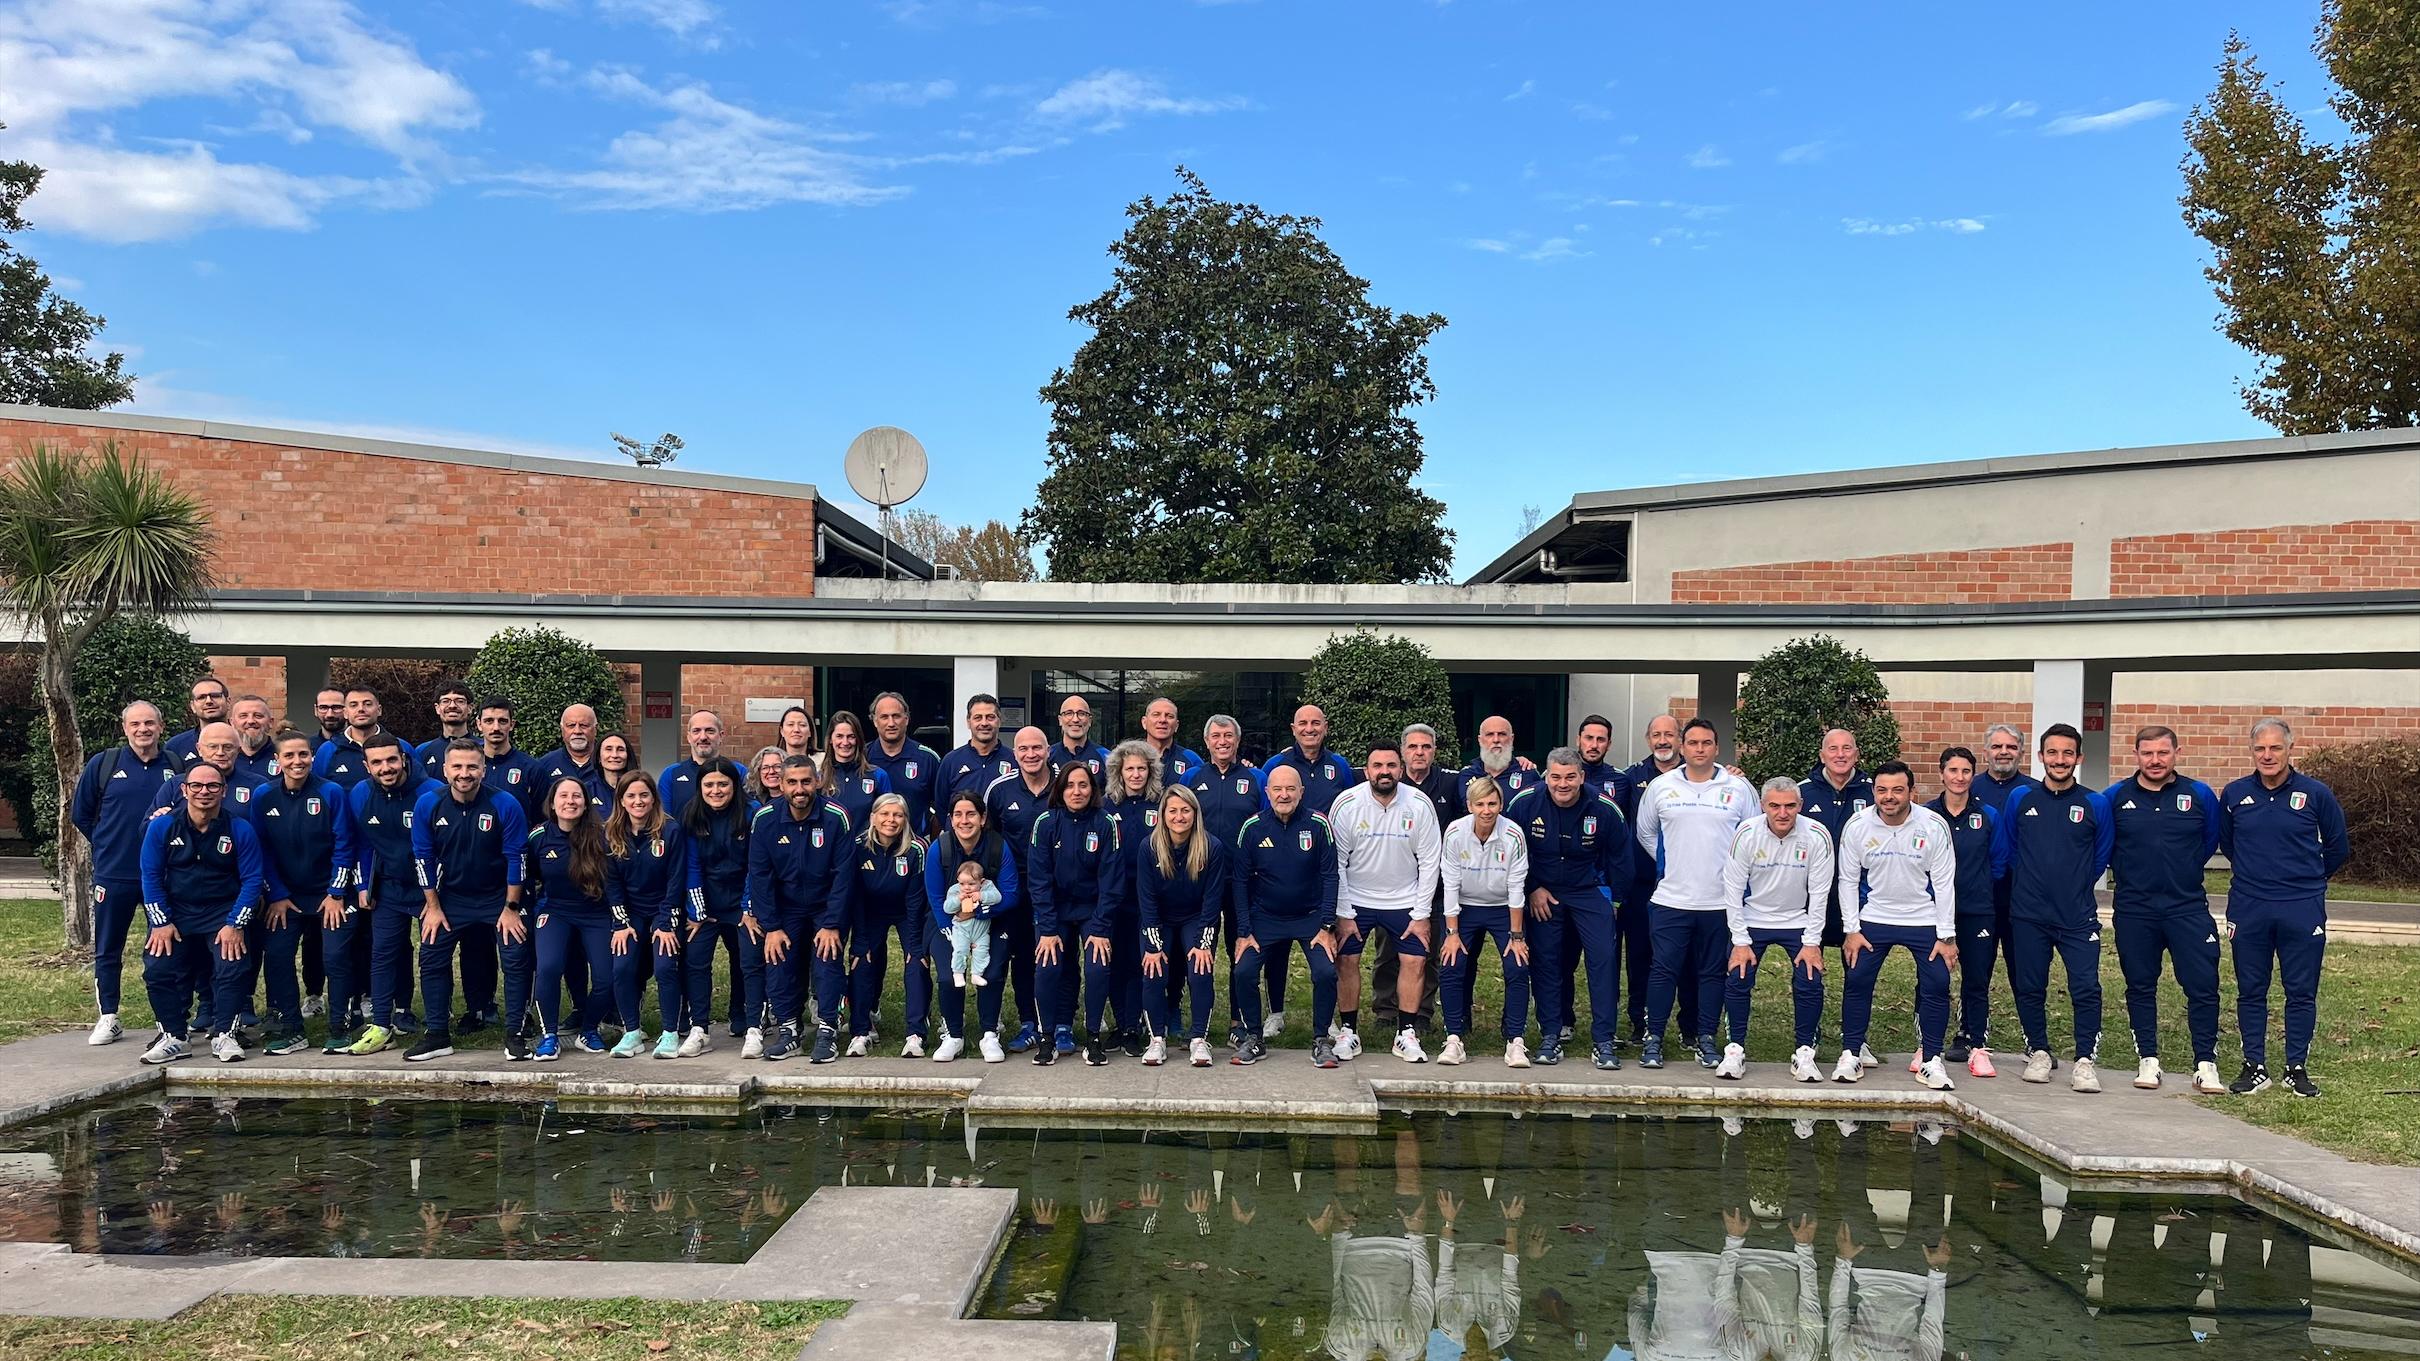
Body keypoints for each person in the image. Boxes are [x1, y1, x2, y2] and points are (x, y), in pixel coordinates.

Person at [2219, 717, 2348, 1099]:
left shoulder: (2316, 793)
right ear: (2251, 751)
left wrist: (2306, 880)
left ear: (2291, 749)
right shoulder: (2235, 794)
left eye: (2275, 747)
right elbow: (2228, 844)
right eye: (2260, 748)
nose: (2267, 755)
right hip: (2249, 905)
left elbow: (2338, 847)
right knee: (2250, 989)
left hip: (2301, 907)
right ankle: (2254, 1067)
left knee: (2301, 991)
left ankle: (2296, 1068)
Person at [2104, 725, 2225, 1094]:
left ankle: (2205, 1063)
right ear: (2136, 755)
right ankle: (2148, 1060)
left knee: (2203, 985)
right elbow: (2105, 846)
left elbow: (2209, 841)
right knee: (2140, 985)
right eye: (2147, 753)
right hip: (2135, 909)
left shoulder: (2199, 795)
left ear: (2176, 753)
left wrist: (2180, 871)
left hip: (2187, 907)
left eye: (2162, 753)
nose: (2155, 760)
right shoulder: (2114, 797)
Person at [1994, 723, 2114, 1093]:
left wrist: (2072, 885)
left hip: (2077, 915)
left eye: (2067, 753)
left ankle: (2084, 1060)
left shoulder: (2095, 803)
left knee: (2086, 987)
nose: (2059, 760)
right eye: (2052, 752)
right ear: (2040, 756)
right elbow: (2010, 850)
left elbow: (2100, 856)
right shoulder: (2021, 798)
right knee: (2030, 985)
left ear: (2079, 758)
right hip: (2029, 914)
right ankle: (2039, 1051)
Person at [1635, 717, 1756, 1071]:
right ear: (1682, 747)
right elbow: (1645, 833)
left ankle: (1705, 1038)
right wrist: (1672, 862)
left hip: (1720, 902)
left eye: (1706, 743)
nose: (1699, 749)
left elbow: (1751, 836)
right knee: (1663, 971)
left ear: (1716, 748)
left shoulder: (1738, 788)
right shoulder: (1661, 786)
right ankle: (1654, 1038)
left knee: (1712, 973)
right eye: (1692, 743)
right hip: (1671, 899)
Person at [1834, 761, 1960, 1091]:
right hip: (1874, 917)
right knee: (1857, 979)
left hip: (1924, 919)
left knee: (1937, 983)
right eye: (1882, 790)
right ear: (1874, 792)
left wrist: (1946, 935)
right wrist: (1851, 930)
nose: (1889, 797)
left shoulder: (1933, 825)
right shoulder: (1857, 825)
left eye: (1897, 790)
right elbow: (1847, 880)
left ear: (1911, 793)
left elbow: (1944, 882)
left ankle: (1931, 1060)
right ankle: (1851, 1053)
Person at [407, 739, 532, 1063]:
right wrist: (433, 907)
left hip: (498, 898)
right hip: (450, 898)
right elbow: (422, 858)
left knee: (515, 956)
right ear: (445, 770)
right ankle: (437, 1035)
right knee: (431, 955)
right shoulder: (428, 804)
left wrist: (511, 908)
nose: (465, 773)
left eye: (472, 767)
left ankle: (515, 1033)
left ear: (483, 769)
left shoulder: (505, 803)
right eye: (458, 767)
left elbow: (517, 858)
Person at [1507, 747, 1632, 1069]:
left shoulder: (1604, 807)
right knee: (1547, 961)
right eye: (1556, 777)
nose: (1563, 784)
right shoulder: (1524, 803)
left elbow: (1621, 856)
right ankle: (1551, 1034)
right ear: (1546, 777)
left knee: (1603, 960)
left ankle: (1604, 1040)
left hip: (1589, 890)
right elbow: (1512, 851)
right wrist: (1532, 888)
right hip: (1543, 892)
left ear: (1582, 777)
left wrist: (1614, 900)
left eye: (1570, 777)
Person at [134, 760, 265, 1064]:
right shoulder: (162, 826)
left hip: (223, 911)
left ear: (224, 791)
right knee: (157, 969)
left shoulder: (239, 829)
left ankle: (225, 1034)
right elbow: (150, 877)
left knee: (232, 966)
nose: (204, 791)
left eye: (212, 786)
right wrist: (161, 922)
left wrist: (235, 924)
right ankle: (174, 1037)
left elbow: (252, 881)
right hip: (175, 912)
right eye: (196, 785)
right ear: (184, 790)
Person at [72, 701, 181, 1047]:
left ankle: (170, 1019)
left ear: (160, 727)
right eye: (135, 724)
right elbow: (81, 815)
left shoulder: (176, 766)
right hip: (114, 873)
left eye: (149, 723)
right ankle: (109, 1015)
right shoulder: (104, 764)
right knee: (108, 947)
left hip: (162, 876)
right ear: (125, 728)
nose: (142, 729)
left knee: (164, 947)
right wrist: (107, 844)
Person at [1329, 742, 1443, 1064]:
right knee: (1346, 960)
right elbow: (1336, 862)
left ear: (1401, 770)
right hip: (1357, 899)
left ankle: (1405, 1033)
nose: (1384, 772)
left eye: (1391, 766)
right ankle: (1349, 1032)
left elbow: (1430, 861)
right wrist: (1344, 913)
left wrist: (1421, 914)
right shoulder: (1347, 803)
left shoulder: (1419, 804)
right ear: (1366, 771)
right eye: (1377, 766)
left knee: (1415, 961)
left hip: (1405, 899)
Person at [242, 730, 354, 1057]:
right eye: (289, 756)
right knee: (277, 955)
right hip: (286, 897)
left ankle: (340, 1026)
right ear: (277, 760)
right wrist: (276, 894)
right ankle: (290, 1028)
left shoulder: (331, 792)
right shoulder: (263, 796)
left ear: (312, 757)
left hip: (330, 895)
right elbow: (260, 850)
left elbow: (345, 844)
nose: (297, 761)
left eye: (303, 754)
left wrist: (336, 892)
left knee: (335, 957)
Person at [1715, 777, 1831, 1083]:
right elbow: (1732, 888)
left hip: (1798, 919)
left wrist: (1812, 942)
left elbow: (1820, 893)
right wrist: (1740, 941)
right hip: (1754, 918)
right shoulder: (1747, 832)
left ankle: (1805, 1051)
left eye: (1790, 806)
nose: (1783, 813)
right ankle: (1735, 1049)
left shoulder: (1817, 834)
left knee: (1810, 979)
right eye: (1775, 806)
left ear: (1800, 805)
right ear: (1763, 805)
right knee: (1738, 976)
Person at [1229, 764, 1340, 1066]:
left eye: (1291, 788)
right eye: (1277, 789)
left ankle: (1321, 1040)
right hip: (1265, 918)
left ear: (1301, 792)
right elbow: (1240, 881)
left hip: (1310, 918)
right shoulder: (1252, 827)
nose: (1284, 795)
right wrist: (1244, 930)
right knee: (1243, 972)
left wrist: (1327, 925)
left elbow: (1330, 875)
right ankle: (1254, 1038)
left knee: (1326, 972)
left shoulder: (1318, 824)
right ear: (1267, 792)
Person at [747, 756, 854, 1063]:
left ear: (817, 782)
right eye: (792, 782)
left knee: (827, 961)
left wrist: (832, 924)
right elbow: (760, 876)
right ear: (781, 784)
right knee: (779, 961)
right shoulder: (765, 819)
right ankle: (789, 1031)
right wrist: (772, 926)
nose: (799, 789)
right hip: (786, 908)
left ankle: (827, 1031)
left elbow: (844, 876)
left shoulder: (836, 817)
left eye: (806, 781)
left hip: (825, 907)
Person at [525, 775, 638, 1061]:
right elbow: (529, 876)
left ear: (586, 803)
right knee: (548, 968)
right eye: (563, 796)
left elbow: (614, 882)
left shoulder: (602, 835)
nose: (570, 801)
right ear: (552, 803)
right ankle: (549, 1035)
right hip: (555, 911)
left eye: (576, 796)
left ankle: (588, 1029)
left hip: (596, 912)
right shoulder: (538, 836)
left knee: (607, 977)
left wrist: (620, 921)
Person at [337, 733, 427, 1054]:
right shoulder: (361, 793)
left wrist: (435, 895)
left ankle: (437, 1024)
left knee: (432, 955)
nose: (385, 767)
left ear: (404, 759)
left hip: (428, 890)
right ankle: (381, 1027)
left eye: (391, 759)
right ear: (366, 766)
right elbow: (362, 843)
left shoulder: (429, 792)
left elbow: (441, 847)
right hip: (388, 887)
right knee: (382, 953)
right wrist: (364, 885)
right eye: (377, 762)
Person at [1437, 775, 1532, 1068]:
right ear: (1470, 806)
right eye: (1480, 804)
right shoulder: (1455, 832)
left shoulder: (1513, 834)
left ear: (1501, 804)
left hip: (1502, 907)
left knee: (1517, 966)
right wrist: (1452, 932)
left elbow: (1517, 886)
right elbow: (1450, 883)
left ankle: (1515, 1040)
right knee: (1451, 963)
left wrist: (1517, 936)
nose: (1486, 810)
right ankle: (1454, 1037)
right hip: (1465, 906)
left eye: (1492, 804)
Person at [1137, 784, 1232, 1068]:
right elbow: (1147, 899)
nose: (1179, 817)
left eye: (1185, 810)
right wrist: (1153, 946)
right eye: (1173, 811)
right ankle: (1157, 1039)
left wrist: (1203, 944)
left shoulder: (1212, 847)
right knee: (1153, 970)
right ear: (1163, 815)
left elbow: (1212, 901)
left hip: (1196, 917)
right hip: (1160, 918)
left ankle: (1199, 1039)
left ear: (1195, 813)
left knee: (1200, 971)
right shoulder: (1149, 847)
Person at [923, 790, 1021, 1063]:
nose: (964, 820)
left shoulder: (998, 846)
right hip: (949, 922)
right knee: (947, 975)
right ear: (950, 819)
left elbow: (1011, 894)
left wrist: (978, 911)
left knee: (991, 970)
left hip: (991, 919)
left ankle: (989, 1033)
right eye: (958, 815)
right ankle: (953, 1034)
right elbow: (935, 896)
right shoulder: (939, 848)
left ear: (983, 818)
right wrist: (952, 929)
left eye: (971, 814)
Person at [607, 769, 700, 1060]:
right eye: (631, 796)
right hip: (631, 914)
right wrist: (621, 924)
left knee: (664, 966)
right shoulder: (611, 833)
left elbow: (676, 880)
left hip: (664, 910)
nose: (638, 801)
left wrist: (666, 924)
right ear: (621, 800)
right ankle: (631, 1032)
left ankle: (670, 1032)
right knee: (622, 967)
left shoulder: (670, 830)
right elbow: (612, 884)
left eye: (644, 795)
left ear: (653, 798)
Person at [1926, 747, 2006, 1076]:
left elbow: (1999, 861)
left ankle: (1976, 1045)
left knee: (1976, 979)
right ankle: (1926, 1045)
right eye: (1953, 770)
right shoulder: (1926, 815)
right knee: (1932, 978)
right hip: (1933, 912)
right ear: (1942, 773)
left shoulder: (1988, 815)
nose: (1959, 777)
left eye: (1966, 771)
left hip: (1977, 909)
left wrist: (1977, 885)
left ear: (1973, 775)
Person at [1188, 714, 1268, 1048]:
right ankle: (1196, 1025)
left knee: (1241, 951)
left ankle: (1239, 1022)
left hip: (1243, 881)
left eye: (1228, 736)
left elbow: (1266, 823)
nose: (1222, 741)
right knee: (1199, 950)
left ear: (1238, 740)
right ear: (1207, 742)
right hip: (1201, 880)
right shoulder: (1193, 777)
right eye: (1216, 736)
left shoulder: (1256, 777)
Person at [1028, 762, 1115, 1064]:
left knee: (1097, 967)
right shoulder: (1045, 822)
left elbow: (1111, 880)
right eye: (1070, 785)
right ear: (1060, 789)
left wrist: (1101, 927)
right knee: (1047, 966)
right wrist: (1048, 929)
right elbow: (1038, 879)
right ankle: (1047, 1037)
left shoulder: (1105, 823)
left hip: (1093, 911)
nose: (1076, 791)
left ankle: (1093, 1037)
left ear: (1092, 789)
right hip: (1055, 911)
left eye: (1083, 785)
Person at [835, 792, 929, 1058]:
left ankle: (916, 1033)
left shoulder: (917, 849)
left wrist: (914, 943)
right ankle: (860, 1031)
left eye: (898, 815)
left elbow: (915, 898)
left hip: (906, 912)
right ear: (873, 817)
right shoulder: (857, 846)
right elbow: (855, 896)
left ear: (905, 819)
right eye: (885, 814)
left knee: (917, 961)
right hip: (870, 912)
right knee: (861, 959)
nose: (891, 820)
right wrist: (860, 940)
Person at [678, 756, 762, 1057]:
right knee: (696, 960)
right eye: (709, 785)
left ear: (734, 785)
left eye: (723, 784)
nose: (716, 790)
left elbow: (756, 865)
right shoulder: (691, 814)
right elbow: (692, 865)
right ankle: (699, 1028)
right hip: (708, 904)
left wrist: (748, 909)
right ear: (700, 787)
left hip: (744, 901)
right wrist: (698, 913)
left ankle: (753, 1026)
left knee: (750, 960)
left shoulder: (752, 812)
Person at [1085, 741, 1162, 1059]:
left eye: (1142, 768)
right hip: (1113, 896)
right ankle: (1120, 1024)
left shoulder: (1160, 804)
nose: (1136, 774)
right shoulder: (1106, 806)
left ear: (1151, 771)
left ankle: (1135, 1026)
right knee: (1115, 962)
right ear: (1118, 771)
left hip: (1148, 897)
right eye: (1130, 768)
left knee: (1139, 961)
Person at [984, 726, 1057, 1053]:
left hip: (1056, 886)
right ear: (1014, 754)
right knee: (1023, 955)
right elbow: (988, 838)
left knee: (1057, 955)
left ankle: (1060, 1023)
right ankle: (1029, 1022)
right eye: (1023, 749)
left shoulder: (1064, 785)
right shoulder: (1000, 789)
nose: (1031, 754)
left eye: (1037, 748)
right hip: (1014, 887)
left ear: (1048, 750)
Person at [1616, 714, 1686, 1047]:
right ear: (1648, 740)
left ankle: (1690, 1025)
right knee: (1640, 954)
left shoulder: (1698, 775)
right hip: (1642, 884)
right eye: (1656, 734)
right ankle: (1639, 1022)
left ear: (1679, 739)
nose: (1662, 741)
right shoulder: (1631, 777)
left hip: (1687, 883)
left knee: (1688, 957)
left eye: (1669, 734)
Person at [1798, 728, 1874, 952]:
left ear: (1856, 754)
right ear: (1822, 756)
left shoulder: (1873, 793)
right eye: (1833, 749)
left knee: (1857, 963)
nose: (1840, 754)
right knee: (1809, 963)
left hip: (1859, 895)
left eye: (1846, 748)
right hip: (1811, 895)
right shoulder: (1802, 793)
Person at [866, 691, 942, 834]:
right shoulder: (863, 758)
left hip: (915, 842)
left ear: (906, 719)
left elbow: (942, 806)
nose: (891, 723)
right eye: (884, 717)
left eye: (896, 716)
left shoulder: (927, 759)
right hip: (871, 844)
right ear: (875, 721)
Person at [1263, 704, 1358, 814]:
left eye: (1315, 723)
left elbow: (1350, 809)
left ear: (1325, 728)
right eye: (1303, 723)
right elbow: (1263, 811)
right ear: (1293, 729)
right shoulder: (1274, 765)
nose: (1309, 729)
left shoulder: (1340, 765)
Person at [818, 711, 893, 830]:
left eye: (851, 736)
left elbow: (889, 817)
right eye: (839, 736)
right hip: (831, 842)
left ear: (858, 739)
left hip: (866, 842)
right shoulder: (819, 778)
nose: (845, 742)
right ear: (831, 739)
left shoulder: (878, 775)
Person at [313, 686, 398, 789]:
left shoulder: (400, 746)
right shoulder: (327, 750)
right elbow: (318, 791)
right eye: (354, 705)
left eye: (367, 704)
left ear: (379, 710)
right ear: (345, 713)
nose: (361, 709)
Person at [943, 693, 1017, 803]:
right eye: (978, 718)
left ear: (999, 721)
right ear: (968, 722)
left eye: (990, 717)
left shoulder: (1014, 760)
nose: (984, 723)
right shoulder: (951, 761)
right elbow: (942, 807)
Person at [537, 703, 610, 814]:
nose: (577, 731)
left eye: (584, 725)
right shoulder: (545, 765)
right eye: (571, 725)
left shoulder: (610, 762)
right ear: (562, 730)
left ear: (595, 729)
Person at [941, 861, 1000, 990]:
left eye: (971, 884)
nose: (966, 888)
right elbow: (947, 908)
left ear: (981, 881)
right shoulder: (955, 890)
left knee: (982, 951)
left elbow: (997, 897)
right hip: (961, 929)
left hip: (981, 931)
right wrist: (958, 899)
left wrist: (982, 895)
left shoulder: (987, 886)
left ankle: (977, 974)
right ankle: (958, 973)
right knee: (960, 950)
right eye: (962, 883)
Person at [658, 710, 727, 818]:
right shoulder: (670, 774)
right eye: (696, 731)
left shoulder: (739, 772)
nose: (703, 737)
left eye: (710, 731)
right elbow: (664, 819)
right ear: (689, 737)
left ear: (721, 736)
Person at [1459, 715, 1537, 807]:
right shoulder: (1465, 775)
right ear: (1480, 740)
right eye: (1490, 734)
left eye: (1502, 734)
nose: (1496, 740)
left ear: (1511, 739)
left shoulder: (1528, 775)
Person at [163, 675, 231, 768]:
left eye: (215, 696)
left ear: (228, 702)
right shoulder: (175, 746)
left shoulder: (244, 742)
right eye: (201, 697)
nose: (209, 701)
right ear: (193, 706)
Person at [415, 678, 475, 782]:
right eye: (445, 701)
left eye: (459, 701)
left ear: (470, 708)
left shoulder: (482, 748)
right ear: (437, 708)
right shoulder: (422, 751)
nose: (452, 706)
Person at [1138, 696, 1200, 787]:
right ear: (1144, 722)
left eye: (1169, 716)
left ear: (1176, 726)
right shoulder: (1128, 758)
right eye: (1156, 715)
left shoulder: (1191, 759)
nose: (1162, 720)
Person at [1974, 724, 2037, 810]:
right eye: (1997, 747)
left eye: (2011, 747)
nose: (2004, 752)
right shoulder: (1969, 789)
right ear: (1985, 754)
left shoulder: (2036, 791)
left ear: (2021, 755)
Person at [1048, 694, 1109, 779]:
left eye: (1081, 714)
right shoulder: (1047, 756)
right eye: (1069, 713)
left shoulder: (1106, 757)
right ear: (1060, 720)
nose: (1075, 719)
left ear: (1090, 721)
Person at [1574, 713, 1628, 803]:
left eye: (1600, 740)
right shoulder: (1561, 777)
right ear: (1578, 740)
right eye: (1589, 738)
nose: (1594, 745)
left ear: (1608, 744)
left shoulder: (1620, 779)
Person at [228, 696, 279, 785]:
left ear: (270, 722)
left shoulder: (283, 756)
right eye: (243, 716)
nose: (251, 721)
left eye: (258, 716)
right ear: (232, 723)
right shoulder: (224, 758)